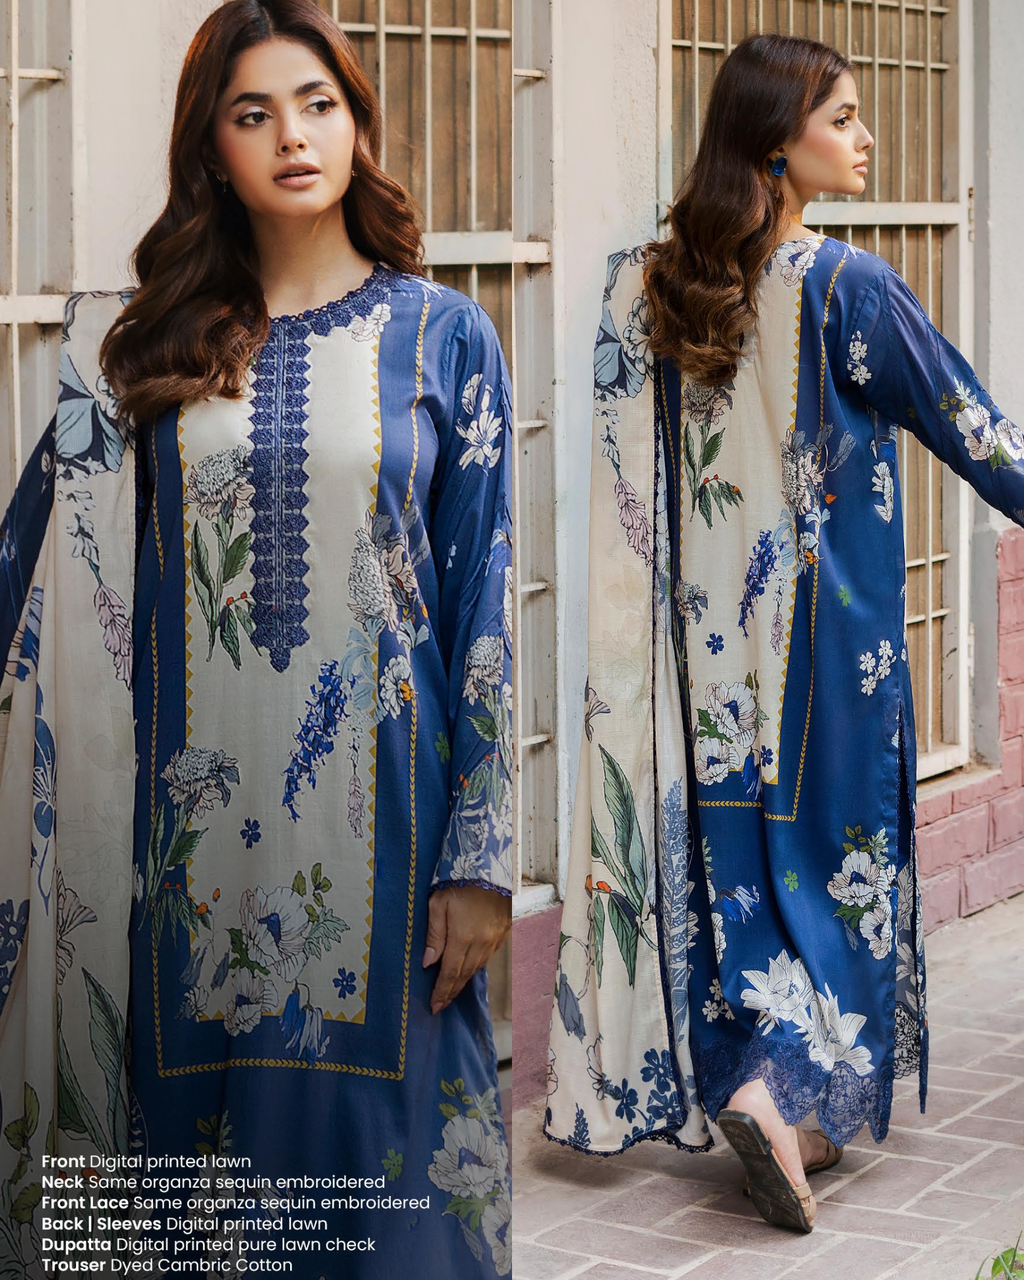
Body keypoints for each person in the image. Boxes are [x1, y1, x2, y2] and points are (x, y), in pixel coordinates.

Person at [0, 3, 513, 1276]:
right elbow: (35, 567)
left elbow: (483, 600)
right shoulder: (142, 346)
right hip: (182, 859)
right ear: (212, 150)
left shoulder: (443, 334)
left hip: (391, 843)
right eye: (253, 113)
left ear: (355, 123)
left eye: (317, 104)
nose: (293, 135)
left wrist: (482, 853)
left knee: (404, 1221)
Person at [544, 32, 1024, 1235]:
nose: (865, 138)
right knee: (839, 881)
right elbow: (973, 428)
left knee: (749, 887)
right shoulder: (847, 285)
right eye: (842, 118)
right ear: (774, 144)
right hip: (826, 657)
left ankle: (781, 1111)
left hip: (703, 660)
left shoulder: (657, 290)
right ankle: (780, 1091)